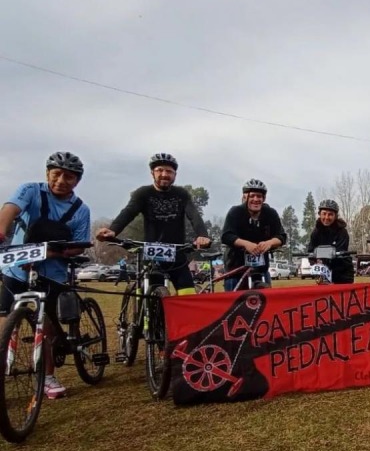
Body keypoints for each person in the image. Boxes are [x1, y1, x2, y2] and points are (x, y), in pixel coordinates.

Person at [0, 152, 91, 399]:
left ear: (77, 181)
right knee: (6, 319)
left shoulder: (81, 209)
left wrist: (49, 254)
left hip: (52, 272)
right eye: (56, 174)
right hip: (16, 267)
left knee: (47, 326)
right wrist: (1, 230)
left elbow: (79, 244)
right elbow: (10, 209)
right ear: (47, 174)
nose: (61, 180)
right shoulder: (30, 190)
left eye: (69, 177)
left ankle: (48, 376)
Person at [96, 153, 211, 294]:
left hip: (177, 253)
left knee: (188, 295)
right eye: (160, 170)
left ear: (175, 174)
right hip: (152, 253)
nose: (164, 174)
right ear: (152, 173)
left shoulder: (181, 194)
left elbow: (194, 216)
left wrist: (203, 235)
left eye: (169, 171)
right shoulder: (143, 193)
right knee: (151, 298)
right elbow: (129, 212)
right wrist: (113, 230)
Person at [221, 179, 287, 291]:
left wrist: (270, 243)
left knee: (266, 302)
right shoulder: (235, 212)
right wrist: (246, 244)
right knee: (233, 304)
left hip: (261, 269)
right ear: (245, 197)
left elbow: (282, 236)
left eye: (259, 196)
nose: (256, 199)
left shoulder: (270, 213)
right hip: (236, 267)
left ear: (264, 199)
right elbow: (226, 236)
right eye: (252, 196)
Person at [307, 199, 354, 284]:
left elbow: (340, 251)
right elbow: (311, 251)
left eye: (330, 214)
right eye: (324, 214)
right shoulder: (316, 232)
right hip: (324, 272)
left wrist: (319, 253)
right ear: (319, 214)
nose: (326, 217)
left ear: (335, 216)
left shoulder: (342, 232)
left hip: (343, 273)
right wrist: (314, 260)